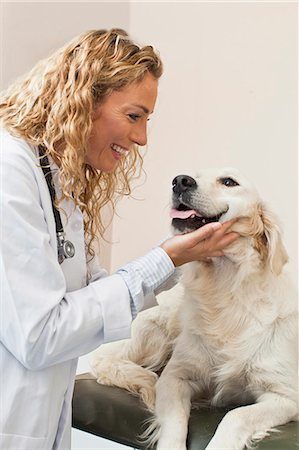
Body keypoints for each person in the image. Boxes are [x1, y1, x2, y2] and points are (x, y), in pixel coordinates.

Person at [0, 28, 239, 450]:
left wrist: (176, 260)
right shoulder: (9, 171)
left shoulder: (59, 184)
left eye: (147, 120)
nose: (143, 137)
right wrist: (166, 258)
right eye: (134, 116)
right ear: (84, 100)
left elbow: (95, 297)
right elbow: (41, 336)